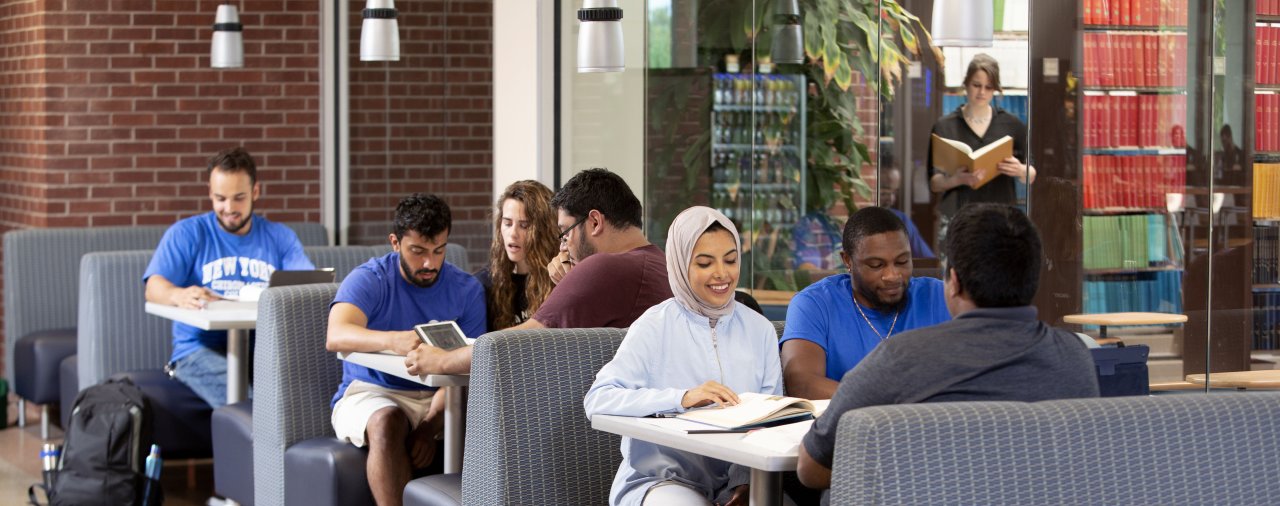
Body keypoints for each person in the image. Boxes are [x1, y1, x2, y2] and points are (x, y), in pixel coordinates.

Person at [795, 204, 1101, 498]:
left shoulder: (900, 359)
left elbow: (810, 469)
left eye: (902, 262)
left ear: (953, 281)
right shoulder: (1076, 358)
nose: (892, 275)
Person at [584, 206, 779, 506]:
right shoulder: (654, 325)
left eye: (730, 260)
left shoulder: (759, 329)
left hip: (737, 482)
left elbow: (770, 419)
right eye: (704, 263)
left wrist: (744, 485)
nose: (721, 274)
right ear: (680, 264)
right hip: (661, 479)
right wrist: (682, 398)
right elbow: (598, 399)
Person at [406, 168, 671, 376]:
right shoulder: (659, 263)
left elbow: (523, 341)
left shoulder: (605, 267)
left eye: (565, 232)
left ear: (594, 222)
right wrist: (573, 282)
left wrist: (441, 360)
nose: (564, 246)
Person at [325, 194, 486, 506]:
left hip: (441, 395)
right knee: (388, 421)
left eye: (439, 250)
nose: (429, 263)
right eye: (418, 251)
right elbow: (336, 334)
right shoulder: (369, 279)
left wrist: (430, 425)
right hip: (371, 391)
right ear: (395, 243)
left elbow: (467, 367)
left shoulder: (466, 289)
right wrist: (392, 340)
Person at [143, 147, 314, 409]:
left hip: (262, 349)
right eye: (220, 198)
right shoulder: (188, 233)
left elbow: (308, 285)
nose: (229, 208)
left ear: (255, 192)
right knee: (261, 408)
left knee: (309, 396)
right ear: (210, 194)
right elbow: (153, 287)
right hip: (198, 352)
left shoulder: (280, 237)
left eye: (239, 198)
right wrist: (178, 294)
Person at [779, 207, 950, 401]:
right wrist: (892, 404)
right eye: (876, 265)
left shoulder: (940, 296)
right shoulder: (815, 304)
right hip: (849, 426)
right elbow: (802, 384)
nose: (892, 276)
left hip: (933, 425)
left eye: (902, 261)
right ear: (848, 260)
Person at [928, 54, 1035, 245]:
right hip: (959, 219)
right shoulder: (945, 126)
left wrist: (1020, 170)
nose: (982, 92)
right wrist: (956, 179)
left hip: (1001, 219)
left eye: (989, 87)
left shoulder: (1013, 125)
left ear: (995, 89)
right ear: (966, 84)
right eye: (976, 85)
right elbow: (934, 182)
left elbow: (1032, 174)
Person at [473, 180, 559, 331]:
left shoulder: (559, 279)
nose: (513, 234)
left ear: (544, 231)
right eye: (507, 223)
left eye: (524, 226)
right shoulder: (484, 283)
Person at [879, 167, 935, 258]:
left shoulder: (900, 220)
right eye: (884, 192)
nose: (892, 199)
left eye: (894, 192)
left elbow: (929, 260)